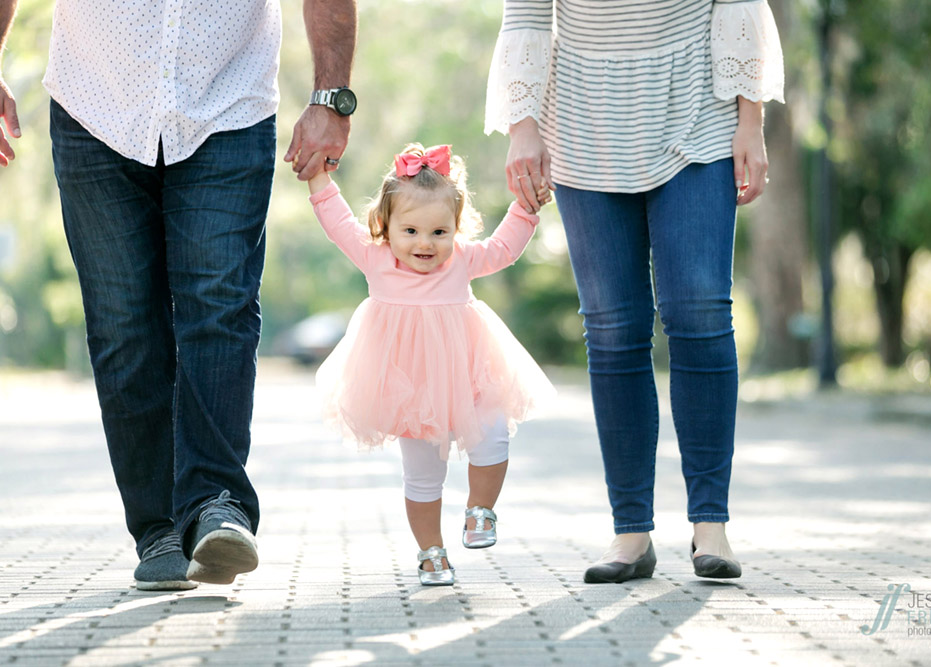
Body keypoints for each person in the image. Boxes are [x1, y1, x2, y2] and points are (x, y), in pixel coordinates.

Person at [0, 0, 358, 589]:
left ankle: (218, 503)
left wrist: (332, 97)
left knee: (219, 301)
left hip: (229, 103)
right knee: (122, 323)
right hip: (95, 102)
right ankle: (158, 526)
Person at [485, 0, 785, 582]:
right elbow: (524, 13)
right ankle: (630, 532)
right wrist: (523, 128)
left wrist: (752, 123)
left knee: (699, 312)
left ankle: (710, 525)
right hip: (581, 117)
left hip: (697, 105)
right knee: (613, 329)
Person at [306, 143, 555, 586]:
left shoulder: (461, 259)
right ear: (386, 227)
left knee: (494, 434)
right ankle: (430, 552)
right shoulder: (375, 257)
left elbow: (503, 249)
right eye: (412, 231)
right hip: (406, 386)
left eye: (440, 232)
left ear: (456, 229)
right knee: (423, 473)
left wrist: (526, 207)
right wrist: (318, 179)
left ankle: (481, 511)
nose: (426, 243)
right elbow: (337, 224)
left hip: (470, 372)